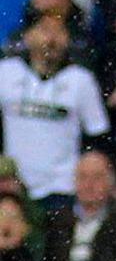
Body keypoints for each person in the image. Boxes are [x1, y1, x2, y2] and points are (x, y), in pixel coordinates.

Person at [0, 13, 108, 206]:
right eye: (44, 30)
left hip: (63, 190)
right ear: (27, 36)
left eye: (59, 32)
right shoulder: (6, 72)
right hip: (12, 189)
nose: (51, 39)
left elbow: (97, 134)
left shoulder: (81, 80)